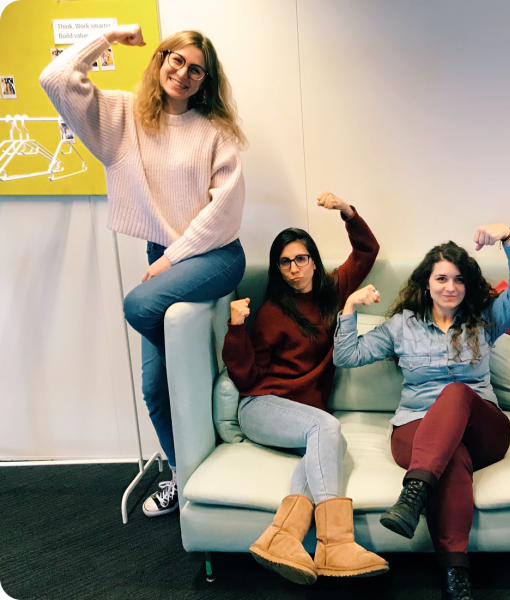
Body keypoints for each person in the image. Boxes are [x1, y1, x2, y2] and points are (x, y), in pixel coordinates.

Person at [40, 24, 247, 514]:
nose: (183, 73)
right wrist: (108, 37)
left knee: (138, 303)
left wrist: (173, 259)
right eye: (176, 60)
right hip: (164, 257)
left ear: (205, 81)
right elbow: (55, 78)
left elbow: (225, 212)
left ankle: (216, 450)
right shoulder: (122, 116)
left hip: (214, 256)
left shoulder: (215, 131)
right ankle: (185, 474)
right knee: (155, 387)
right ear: (159, 59)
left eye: (196, 69)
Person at [334, 224, 510, 600]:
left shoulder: (484, 320)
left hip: (483, 431)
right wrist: (349, 307)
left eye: (459, 279)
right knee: (450, 455)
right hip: (416, 429)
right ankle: (455, 576)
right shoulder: (401, 326)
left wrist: (509, 237)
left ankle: (412, 494)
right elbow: (347, 355)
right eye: (441, 278)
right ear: (426, 283)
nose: (450, 287)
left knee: (457, 391)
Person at [222, 192, 388, 584]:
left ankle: (282, 539)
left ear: (313, 259)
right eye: (285, 262)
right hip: (262, 408)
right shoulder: (270, 313)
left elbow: (367, 251)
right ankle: (334, 545)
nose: (294, 268)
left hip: (304, 415)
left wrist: (347, 210)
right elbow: (246, 379)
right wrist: (235, 328)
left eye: (301, 258)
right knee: (327, 430)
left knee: (328, 442)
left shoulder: (333, 291)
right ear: (277, 269)